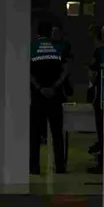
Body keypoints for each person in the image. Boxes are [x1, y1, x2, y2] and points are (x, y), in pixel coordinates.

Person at [29, 21, 69, 175]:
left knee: (35, 133)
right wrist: (54, 87)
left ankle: (34, 167)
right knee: (57, 132)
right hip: (55, 96)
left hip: (38, 96)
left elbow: (28, 72)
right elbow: (66, 70)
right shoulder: (58, 48)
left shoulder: (32, 48)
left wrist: (39, 88)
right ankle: (60, 166)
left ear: (37, 33)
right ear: (50, 32)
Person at [86, 24, 104, 174]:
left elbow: (92, 74)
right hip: (103, 96)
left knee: (102, 129)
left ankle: (102, 163)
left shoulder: (99, 52)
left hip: (101, 96)